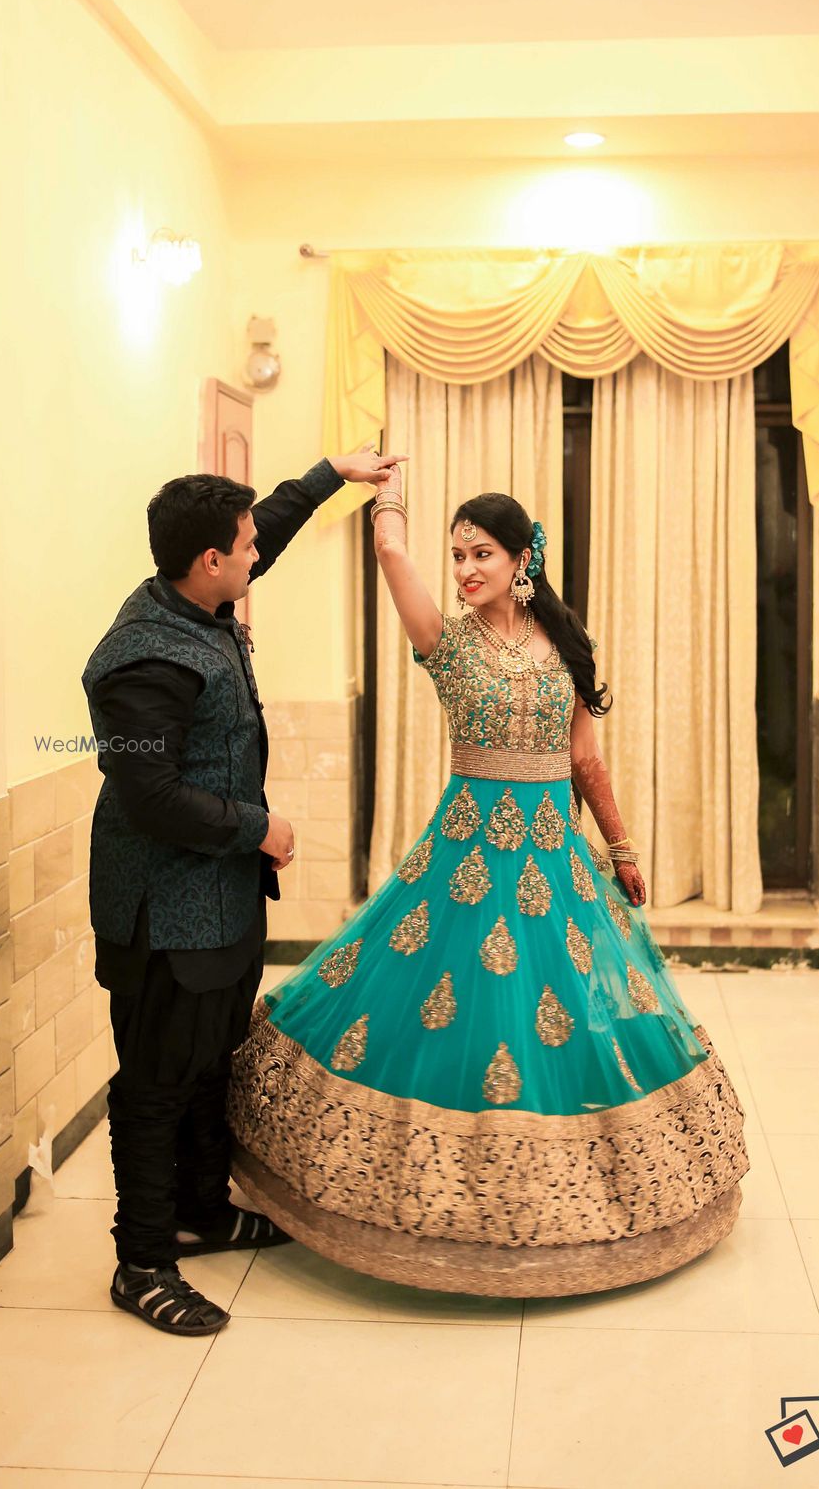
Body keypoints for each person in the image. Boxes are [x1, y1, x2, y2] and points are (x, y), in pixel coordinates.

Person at [228, 470, 750, 1297]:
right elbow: (391, 549)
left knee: (568, 1013)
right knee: (449, 1007)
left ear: (521, 560)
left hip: (556, 866)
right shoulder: (446, 641)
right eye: (458, 554)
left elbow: (585, 759)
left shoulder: (568, 648)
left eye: (482, 554)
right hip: (463, 864)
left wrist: (622, 848)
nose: (467, 569)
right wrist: (380, 487)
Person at [82, 447, 406, 1336]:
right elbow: (146, 792)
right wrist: (254, 828)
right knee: (155, 1080)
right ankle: (142, 1259)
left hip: (218, 900)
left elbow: (270, 529)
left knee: (209, 1063)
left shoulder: (201, 596)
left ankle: (201, 1209)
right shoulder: (143, 659)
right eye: (245, 545)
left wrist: (330, 475)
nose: (257, 554)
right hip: (163, 909)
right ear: (210, 562)